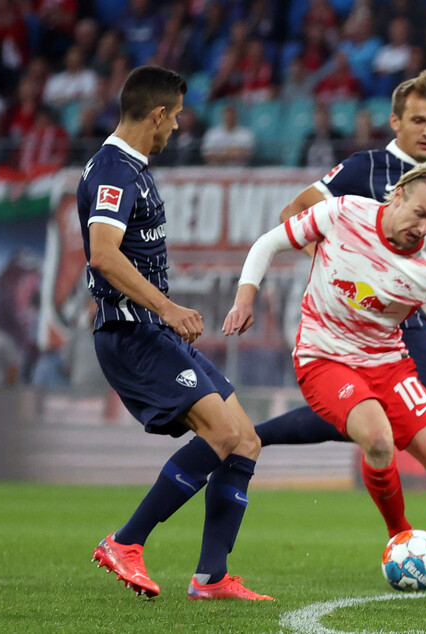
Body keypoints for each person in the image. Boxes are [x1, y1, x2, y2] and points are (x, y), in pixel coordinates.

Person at [253, 71, 426, 591]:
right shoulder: (367, 168)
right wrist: (350, 280)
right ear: (396, 121)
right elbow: (294, 213)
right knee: (373, 425)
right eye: (419, 121)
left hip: (417, 325)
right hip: (363, 327)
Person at [225, 163, 426, 592]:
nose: (422, 228)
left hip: (389, 364)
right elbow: (269, 243)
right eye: (419, 214)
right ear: (398, 194)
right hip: (323, 358)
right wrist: (245, 298)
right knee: (378, 439)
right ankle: (400, 539)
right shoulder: (342, 213)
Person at [80, 65, 271, 601]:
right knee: (221, 433)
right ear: (158, 114)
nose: (179, 129)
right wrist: (166, 307)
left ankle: (211, 578)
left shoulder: (132, 167)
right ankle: (126, 541)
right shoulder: (114, 169)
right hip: (131, 332)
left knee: (246, 440)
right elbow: (102, 255)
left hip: (153, 333)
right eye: (177, 118)